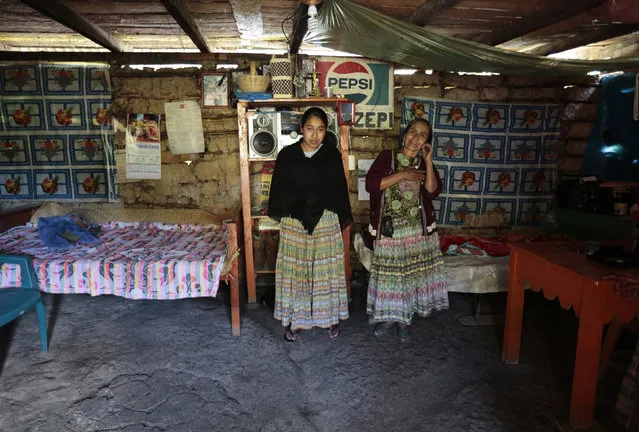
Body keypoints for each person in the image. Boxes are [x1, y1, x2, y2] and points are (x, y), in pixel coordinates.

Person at [267, 107, 353, 342]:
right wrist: (295, 210)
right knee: (298, 271)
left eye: (321, 130)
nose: (315, 135)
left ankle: (329, 317)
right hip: (294, 223)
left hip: (325, 222)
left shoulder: (332, 156)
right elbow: (280, 192)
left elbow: (338, 192)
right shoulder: (287, 155)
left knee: (325, 271)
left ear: (326, 132)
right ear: (301, 129)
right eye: (309, 129)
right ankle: (297, 321)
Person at [365, 117, 448, 342]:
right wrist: (403, 174)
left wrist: (428, 161)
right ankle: (391, 318)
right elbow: (371, 185)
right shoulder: (387, 158)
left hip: (416, 234)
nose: (415, 138)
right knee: (391, 280)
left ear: (426, 143)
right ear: (404, 134)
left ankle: (404, 321)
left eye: (422, 135)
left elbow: (432, 191)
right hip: (390, 232)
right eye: (413, 132)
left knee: (409, 279)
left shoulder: (424, 165)